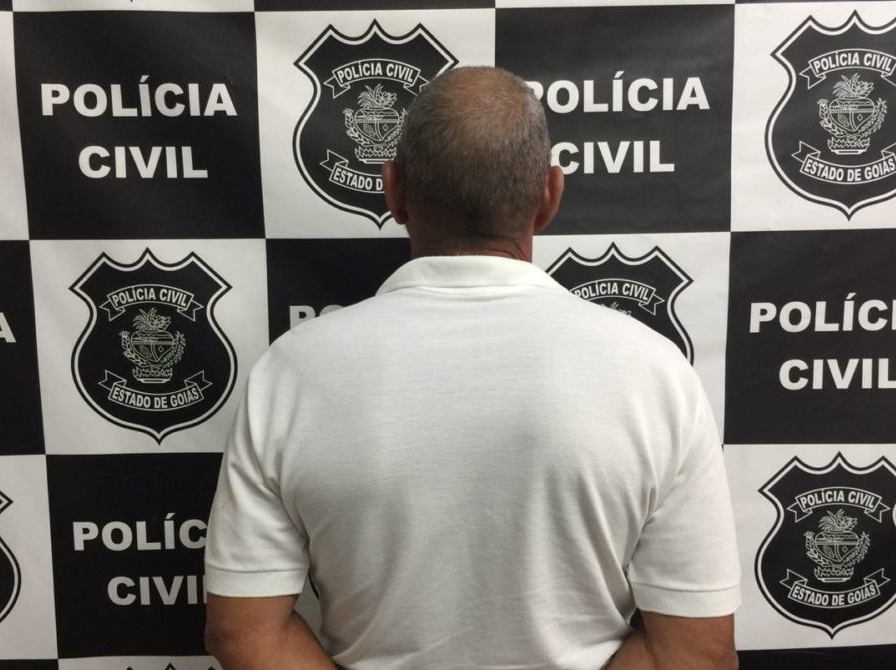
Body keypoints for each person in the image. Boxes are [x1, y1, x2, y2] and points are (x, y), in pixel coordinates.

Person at [204, 66, 741, 670]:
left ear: (393, 190)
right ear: (550, 194)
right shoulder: (655, 374)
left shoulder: (291, 374)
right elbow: (695, 653)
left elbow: (244, 636)